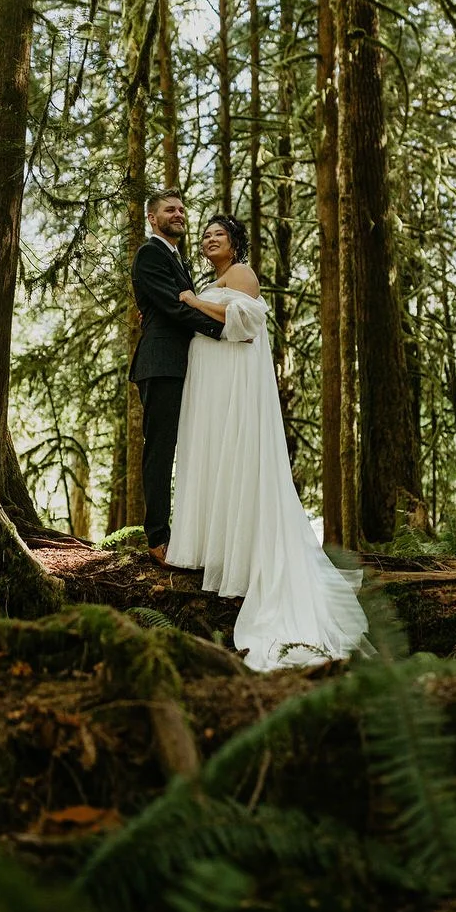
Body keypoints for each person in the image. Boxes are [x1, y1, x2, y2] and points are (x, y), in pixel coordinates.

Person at [166, 213, 372, 672]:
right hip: (214, 380)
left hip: (233, 380)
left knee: (235, 457)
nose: (208, 239)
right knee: (216, 458)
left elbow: (246, 320)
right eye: (205, 235)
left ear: (235, 243)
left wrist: (195, 302)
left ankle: (247, 567)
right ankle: (215, 550)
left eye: (218, 234)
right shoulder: (214, 278)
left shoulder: (240, 274)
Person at [129, 189, 225, 566]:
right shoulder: (150, 253)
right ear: (153, 218)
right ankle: (157, 537)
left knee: (187, 448)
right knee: (160, 449)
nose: (179, 214)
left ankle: (186, 533)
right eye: (170, 210)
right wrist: (224, 328)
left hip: (182, 365)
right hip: (162, 363)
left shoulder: (175, 258)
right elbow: (173, 307)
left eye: (182, 209)